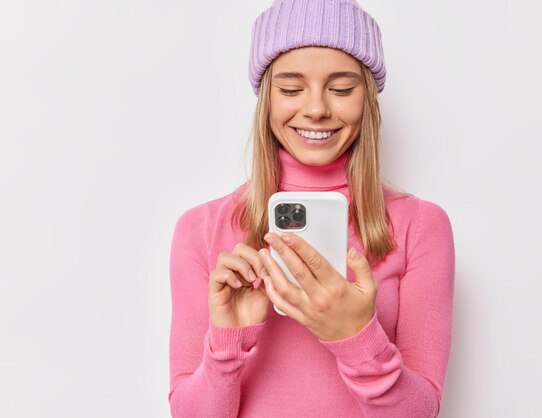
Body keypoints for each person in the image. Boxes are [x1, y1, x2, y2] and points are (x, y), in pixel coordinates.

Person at [168, 0, 455, 417]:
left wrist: (356, 337)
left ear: (368, 99)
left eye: (341, 88)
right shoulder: (200, 229)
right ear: (267, 99)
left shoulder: (421, 226)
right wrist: (227, 345)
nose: (317, 109)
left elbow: (420, 412)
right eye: (290, 89)